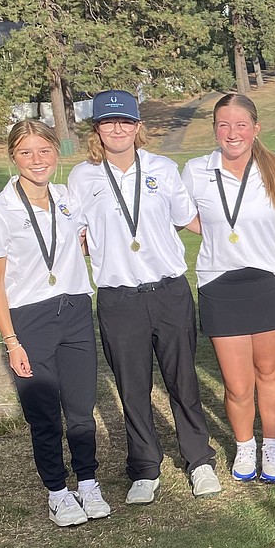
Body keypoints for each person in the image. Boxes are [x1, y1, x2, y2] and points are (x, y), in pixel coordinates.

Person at [67, 90, 220, 504]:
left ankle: (198, 459)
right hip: (119, 297)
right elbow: (75, 237)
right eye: (107, 122)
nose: (117, 129)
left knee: (182, 379)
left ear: (138, 127)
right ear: (96, 130)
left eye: (125, 122)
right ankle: (145, 467)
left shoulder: (163, 168)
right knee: (132, 387)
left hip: (169, 290)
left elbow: (191, 220)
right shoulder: (82, 177)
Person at [0, 120, 107, 527]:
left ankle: (87, 482)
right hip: (30, 320)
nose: (37, 160)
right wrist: (11, 341)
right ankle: (58, 492)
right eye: (26, 153)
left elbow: (83, 241)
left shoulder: (68, 198)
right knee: (44, 414)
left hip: (74, 311)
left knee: (81, 407)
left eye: (44, 151)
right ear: (13, 157)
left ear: (57, 152)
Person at [182, 94, 275, 483]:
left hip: (267, 281)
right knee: (237, 382)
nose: (232, 133)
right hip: (218, 283)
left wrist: (258, 247)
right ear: (214, 129)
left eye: (241, 124)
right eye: (224, 124)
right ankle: (245, 446)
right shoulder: (196, 170)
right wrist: (220, 235)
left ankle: (272, 447)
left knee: (269, 371)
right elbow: (185, 217)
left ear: (255, 129)